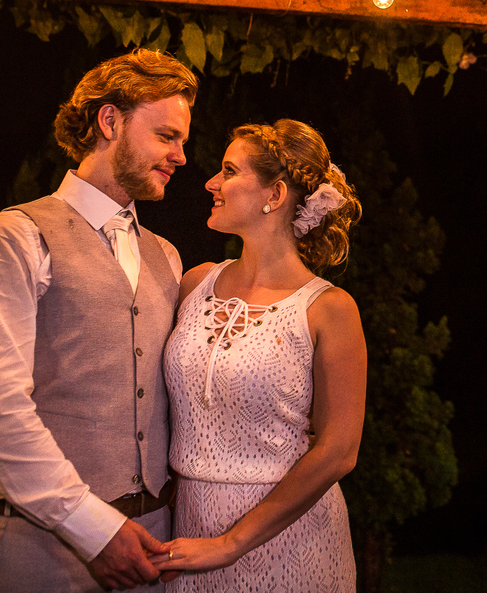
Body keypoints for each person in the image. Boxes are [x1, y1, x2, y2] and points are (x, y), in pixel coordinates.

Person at [0, 49, 198, 592]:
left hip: (155, 550)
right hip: (40, 548)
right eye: (167, 136)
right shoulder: (11, 238)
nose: (182, 156)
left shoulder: (169, 257)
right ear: (109, 121)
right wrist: (92, 530)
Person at [153, 119, 366, 592]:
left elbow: (338, 452)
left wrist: (231, 543)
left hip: (290, 539)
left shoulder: (328, 309)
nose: (211, 182)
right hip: (191, 528)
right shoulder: (196, 283)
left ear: (276, 193)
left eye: (229, 171)